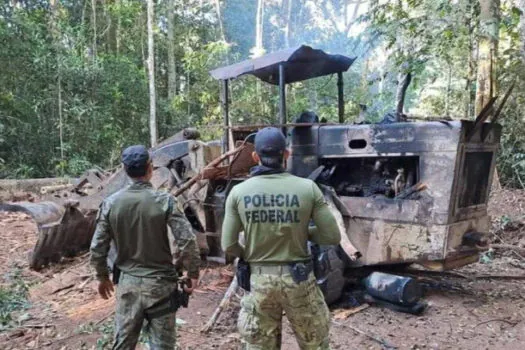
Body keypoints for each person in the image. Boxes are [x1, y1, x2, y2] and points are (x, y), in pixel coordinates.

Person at [221, 127, 341, 349]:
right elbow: (332, 235)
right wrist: (302, 231)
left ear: (255, 157)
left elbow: (228, 244)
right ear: (286, 154)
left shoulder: (238, 192)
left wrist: (249, 252)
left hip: (259, 282)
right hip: (299, 281)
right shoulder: (308, 188)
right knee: (315, 344)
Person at [90, 145, 200, 350]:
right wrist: (193, 272)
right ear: (151, 168)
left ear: (124, 169)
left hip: (128, 287)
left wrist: (102, 277)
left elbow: (97, 247)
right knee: (162, 346)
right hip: (161, 287)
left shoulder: (111, 203)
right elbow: (187, 240)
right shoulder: (165, 201)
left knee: (123, 344)